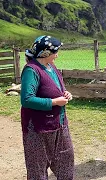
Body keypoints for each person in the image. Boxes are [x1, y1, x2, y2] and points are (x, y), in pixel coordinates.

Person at [20, 35, 74, 179]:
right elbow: (27, 99)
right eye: (56, 51)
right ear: (46, 53)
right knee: (37, 169)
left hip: (60, 124)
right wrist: (54, 102)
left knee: (66, 162)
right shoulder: (31, 70)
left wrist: (65, 93)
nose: (57, 54)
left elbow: (53, 88)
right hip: (38, 129)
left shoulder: (51, 67)